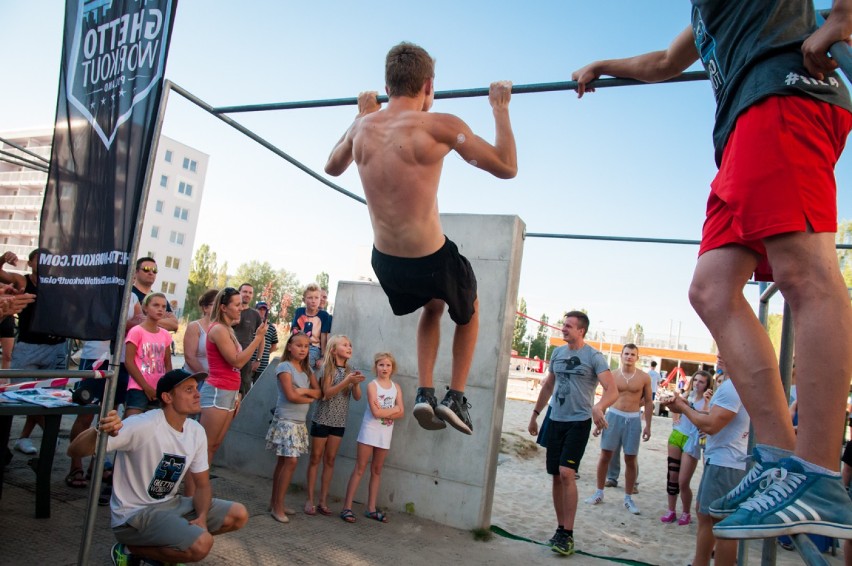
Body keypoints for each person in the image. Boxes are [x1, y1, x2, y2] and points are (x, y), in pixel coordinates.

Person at [572, 1, 852, 539]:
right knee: (711, 290)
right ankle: (779, 461)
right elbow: (663, 61)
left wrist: (841, 16)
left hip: (784, 92)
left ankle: (817, 478)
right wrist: (604, 64)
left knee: (804, 275)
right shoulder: (704, 11)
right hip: (741, 128)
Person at [325, 41, 517, 436]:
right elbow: (506, 167)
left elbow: (332, 166)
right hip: (431, 259)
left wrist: (361, 116)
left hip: (386, 263)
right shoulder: (439, 125)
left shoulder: (362, 127)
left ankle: (424, 393)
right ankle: (456, 397)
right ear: (429, 85)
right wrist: (500, 109)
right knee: (470, 310)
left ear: (387, 84)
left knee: (434, 307)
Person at [67, 369, 249, 565]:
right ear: (167, 397)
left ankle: (169, 549)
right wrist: (99, 430)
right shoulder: (142, 425)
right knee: (201, 545)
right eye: (189, 390)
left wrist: (203, 518)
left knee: (238, 514)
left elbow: (203, 485)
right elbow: (75, 451)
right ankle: (130, 550)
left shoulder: (195, 430)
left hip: (169, 505)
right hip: (134, 515)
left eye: (197, 388)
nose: (197, 394)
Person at [528, 311, 617, 556]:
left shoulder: (593, 357)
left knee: (567, 473)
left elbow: (613, 390)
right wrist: (536, 414)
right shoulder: (557, 353)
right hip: (554, 419)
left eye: (568, 326)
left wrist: (599, 407)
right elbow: (548, 385)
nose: (563, 329)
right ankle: (560, 529)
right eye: (563, 325)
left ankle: (568, 534)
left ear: (581, 331)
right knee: (556, 475)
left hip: (578, 422)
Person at [663, 359, 749, 566]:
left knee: (721, 524)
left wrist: (683, 409)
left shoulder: (732, 386)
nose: (719, 355)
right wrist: (684, 405)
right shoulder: (734, 383)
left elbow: (711, 425)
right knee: (704, 514)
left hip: (727, 462)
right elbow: (711, 417)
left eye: (723, 347)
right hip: (722, 460)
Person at [66, 293, 141, 491]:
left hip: (122, 361)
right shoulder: (99, 289)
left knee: (109, 415)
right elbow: (103, 323)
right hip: (96, 358)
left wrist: (130, 323)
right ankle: (75, 465)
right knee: (86, 414)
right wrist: (129, 323)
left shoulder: (132, 296)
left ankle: (96, 465)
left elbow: (139, 321)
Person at [196, 288, 267, 490]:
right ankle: (194, 493)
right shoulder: (218, 329)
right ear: (223, 307)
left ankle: (198, 493)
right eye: (236, 305)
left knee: (214, 447)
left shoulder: (228, 329)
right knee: (205, 449)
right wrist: (257, 338)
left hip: (229, 392)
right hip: (217, 392)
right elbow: (237, 360)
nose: (240, 308)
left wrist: (237, 394)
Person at [0, 249, 66, 456]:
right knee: (23, 395)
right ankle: (50, 433)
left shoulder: (58, 284)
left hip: (56, 346)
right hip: (30, 347)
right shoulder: (22, 281)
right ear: (30, 263)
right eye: (40, 259)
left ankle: (24, 438)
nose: (45, 263)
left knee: (50, 397)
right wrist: (3, 259)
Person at [586, 343, 652, 514]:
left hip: (633, 418)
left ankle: (628, 497)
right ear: (621, 355)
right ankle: (599, 492)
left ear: (637, 357)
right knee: (605, 454)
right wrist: (600, 420)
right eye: (626, 354)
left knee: (631, 458)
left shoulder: (644, 377)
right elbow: (605, 398)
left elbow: (649, 402)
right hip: (614, 415)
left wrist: (648, 426)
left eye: (632, 354)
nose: (629, 357)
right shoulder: (613, 375)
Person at [341, 352, 404, 524]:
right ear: (376, 366)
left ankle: (371, 509)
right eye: (381, 365)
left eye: (388, 365)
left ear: (392, 368)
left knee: (377, 470)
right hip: (369, 431)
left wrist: (387, 411)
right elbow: (376, 413)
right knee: (360, 468)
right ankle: (347, 507)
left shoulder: (396, 387)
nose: (384, 368)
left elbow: (402, 411)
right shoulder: (372, 385)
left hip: (385, 433)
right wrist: (392, 410)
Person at [305, 335, 364, 516]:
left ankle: (323, 500)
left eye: (350, 345)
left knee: (330, 460)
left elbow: (357, 397)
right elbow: (327, 394)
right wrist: (347, 381)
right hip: (322, 419)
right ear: (333, 349)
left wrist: (355, 384)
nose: (349, 347)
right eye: (345, 345)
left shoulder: (350, 370)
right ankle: (310, 499)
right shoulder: (326, 369)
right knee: (315, 459)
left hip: (339, 422)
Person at [266, 333, 321, 523]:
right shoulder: (284, 367)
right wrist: (307, 396)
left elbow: (318, 392)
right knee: (290, 463)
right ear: (289, 346)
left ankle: (275, 503)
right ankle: (277, 507)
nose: (303, 349)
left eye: (306, 346)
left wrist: (305, 391)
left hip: (299, 423)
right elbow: (290, 396)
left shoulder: (307, 371)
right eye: (299, 345)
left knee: (283, 463)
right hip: (286, 421)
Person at [661, 370, 713, 526]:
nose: (697, 383)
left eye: (702, 381)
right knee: (672, 478)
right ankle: (671, 510)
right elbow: (674, 407)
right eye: (695, 380)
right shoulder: (686, 396)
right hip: (677, 436)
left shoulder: (707, 401)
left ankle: (686, 512)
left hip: (692, 441)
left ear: (707, 385)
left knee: (683, 481)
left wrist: (706, 401)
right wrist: (675, 417)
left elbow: (705, 418)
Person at [124, 293, 173, 418]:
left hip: (159, 388)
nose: (160, 309)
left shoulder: (165, 334)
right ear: (145, 308)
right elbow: (129, 362)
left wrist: (168, 387)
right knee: (132, 425)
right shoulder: (136, 331)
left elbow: (167, 363)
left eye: (163, 306)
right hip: (138, 387)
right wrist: (146, 387)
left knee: (153, 427)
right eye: (156, 305)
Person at [232, 283, 264, 395]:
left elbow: (261, 338)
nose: (247, 294)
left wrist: (258, 360)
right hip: (229, 357)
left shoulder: (255, 315)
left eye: (250, 293)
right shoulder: (230, 311)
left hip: (246, 361)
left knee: (243, 392)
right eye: (245, 291)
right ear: (239, 292)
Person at [291, 283, 331, 370]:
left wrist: (323, 357)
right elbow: (294, 331)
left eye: (316, 298)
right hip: (299, 344)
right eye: (310, 298)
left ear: (320, 299)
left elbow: (324, 336)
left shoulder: (324, 315)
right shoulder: (299, 312)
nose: (313, 301)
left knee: (306, 362)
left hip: (314, 347)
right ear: (304, 300)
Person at [183, 289, 217, 375]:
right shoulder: (194, 326)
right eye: (215, 304)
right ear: (205, 308)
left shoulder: (222, 328)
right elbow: (190, 357)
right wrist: (206, 376)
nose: (219, 308)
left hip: (214, 381)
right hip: (194, 378)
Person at [252, 300, 279, 383]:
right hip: (249, 363)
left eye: (264, 310)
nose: (262, 311)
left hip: (263, 364)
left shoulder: (271, 327)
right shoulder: (250, 324)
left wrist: (265, 353)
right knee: (245, 390)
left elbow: (274, 346)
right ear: (255, 310)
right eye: (260, 309)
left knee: (258, 389)